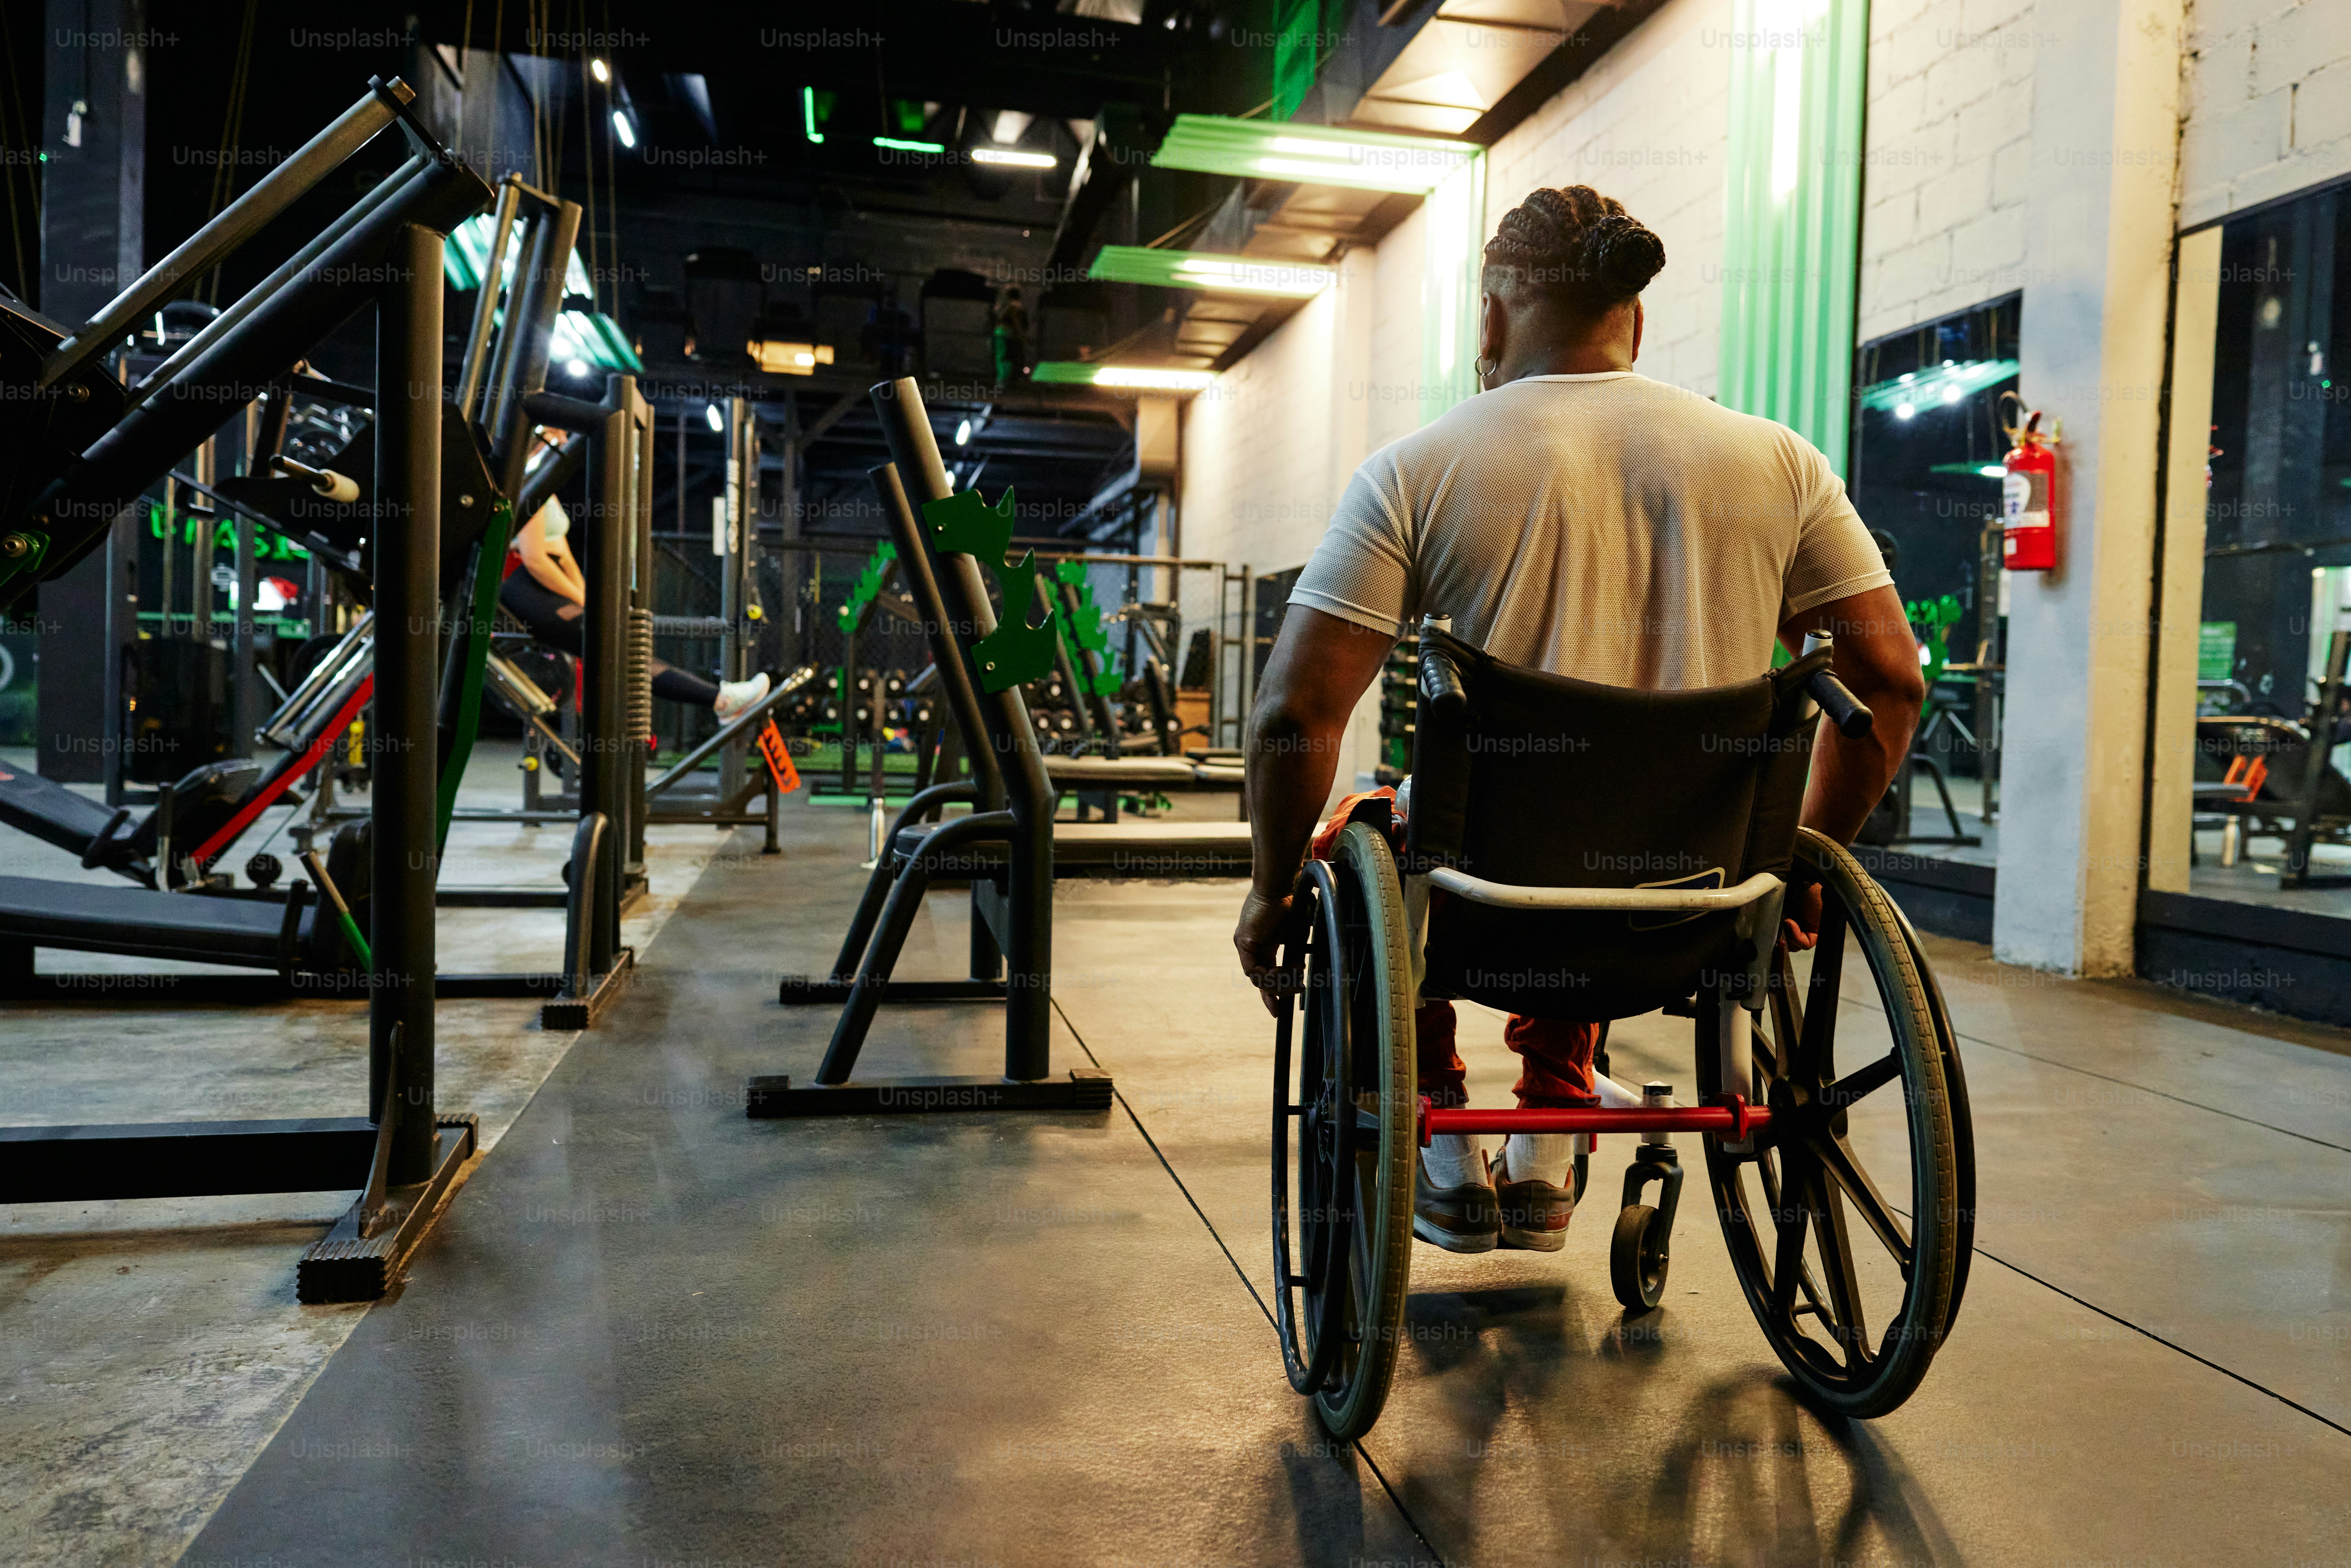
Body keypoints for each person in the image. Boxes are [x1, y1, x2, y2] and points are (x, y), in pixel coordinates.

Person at [1232, 185, 1924, 1257]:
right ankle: (1551, 1131)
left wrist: (1271, 888)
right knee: (1589, 830)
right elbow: (1886, 680)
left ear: (1491, 315)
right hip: (1694, 906)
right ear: (1631, 318)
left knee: (1362, 840)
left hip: (1480, 911)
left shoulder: (1415, 469)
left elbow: (1294, 710)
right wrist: (1794, 865)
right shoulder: (1778, 463)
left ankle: (1443, 1140)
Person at [499, 494, 770, 722]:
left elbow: (562, 552)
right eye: (555, 431)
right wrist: (582, 600)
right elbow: (535, 561)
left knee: (627, 652)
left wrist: (585, 597)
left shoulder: (549, 485)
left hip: (552, 584)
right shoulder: (531, 482)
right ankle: (722, 700)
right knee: (624, 650)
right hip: (528, 587)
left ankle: (721, 700)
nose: (563, 436)